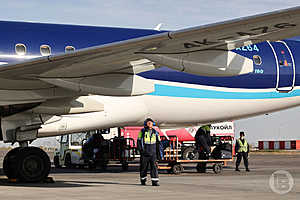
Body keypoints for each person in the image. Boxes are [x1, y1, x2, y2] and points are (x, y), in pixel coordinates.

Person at [137, 118, 161, 186]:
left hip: (153, 153)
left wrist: (158, 153)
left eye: (151, 123)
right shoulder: (142, 131)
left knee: (154, 167)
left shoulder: (155, 132)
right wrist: (141, 151)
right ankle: (143, 180)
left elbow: (158, 143)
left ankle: (155, 181)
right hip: (145, 153)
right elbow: (139, 141)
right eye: (148, 123)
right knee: (143, 168)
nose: (150, 124)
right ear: (145, 124)